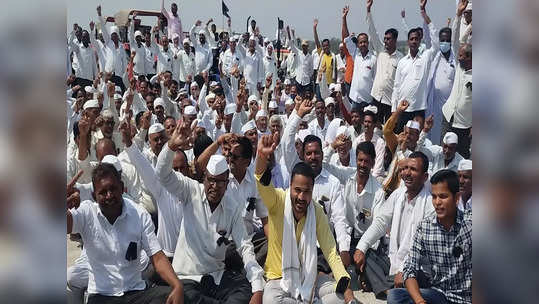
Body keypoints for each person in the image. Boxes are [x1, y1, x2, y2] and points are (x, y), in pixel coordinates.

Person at [155, 122, 265, 303]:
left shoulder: (232, 207)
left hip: (216, 276)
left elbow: (244, 246)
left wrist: (258, 288)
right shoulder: (190, 191)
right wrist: (172, 146)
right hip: (188, 276)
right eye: (210, 181)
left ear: (227, 183)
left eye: (220, 182)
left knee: (245, 289)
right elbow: (162, 175)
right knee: (189, 297)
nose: (214, 187)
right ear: (204, 178)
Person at [255, 134, 357, 303]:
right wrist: (261, 157)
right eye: (297, 190)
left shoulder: (316, 210)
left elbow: (331, 251)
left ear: (312, 190)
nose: (301, 197)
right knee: (271, 301)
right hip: (278, 278)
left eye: (307, 191)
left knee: (337, 299)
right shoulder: (278, 201)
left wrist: (344, 283)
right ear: (290, 187)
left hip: (309, 276)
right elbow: (262, 183)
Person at [67, 163, 184, 304]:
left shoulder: (139, 214)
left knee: (178, 295)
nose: (109, 196)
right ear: (94, 196)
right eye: (103, 192)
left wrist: (177, 285)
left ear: (122, 188)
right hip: (101, 296)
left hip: (136, 293)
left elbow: (157, 257)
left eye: (113, 189)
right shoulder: (86, 212)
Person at [354, 152, 435, 294]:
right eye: (405, 168)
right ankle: (390, 287)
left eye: (413, 169)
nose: (407, 173)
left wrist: (404, 269)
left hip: (416, 266)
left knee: (416, 276)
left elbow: (422, 249)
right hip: (392, 260)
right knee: (366, 254)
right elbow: (381, 222)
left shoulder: (430, 205)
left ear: (425, 177)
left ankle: (382, 285)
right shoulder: (398, 194)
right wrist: (361, 248)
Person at [387, 169, 472, 304]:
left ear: (456, 198)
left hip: (466, 299)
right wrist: (420, 301)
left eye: (443, 196)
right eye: (434, 196)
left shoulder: (471, 225)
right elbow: (410, 268)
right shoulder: (425, 227)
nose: (437, 202)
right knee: (395, 296)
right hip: (439, 295)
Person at [391, 0, 440, 134]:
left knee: (416, 142)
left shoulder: (425, 58)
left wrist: (424, 14)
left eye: (416, 39)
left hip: (418, 109)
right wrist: (394, 109)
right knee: (400, 140)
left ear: (419, 41)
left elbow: (436, 43)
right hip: (402, 109)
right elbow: (396, 86)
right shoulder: (402, 62)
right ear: (408, 41)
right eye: (411, 39)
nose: (414, 41)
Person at [441, 0, 472, 159]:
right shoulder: (460, 68)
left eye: (462, 56)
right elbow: (456, 41)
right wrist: (458, 15)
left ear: (470, 58)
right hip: (448, 117)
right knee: (444, 155)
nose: (458, 58)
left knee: (462, 159)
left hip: (465, 125)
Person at [366, 0, 403, 123]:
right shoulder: (380, 51)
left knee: (387, 130)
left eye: (388, 39)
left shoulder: (401, 58)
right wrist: (368, 11)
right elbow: (372, 31)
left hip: (389, 102)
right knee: (373, 126)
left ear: (395, 40)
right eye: (385, 39)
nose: (386, 41)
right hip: (376, 97)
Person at [342, 6, 377, 106]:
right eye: (360, 42)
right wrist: (344, 18)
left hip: (368, 101)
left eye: (365, 42)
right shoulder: (355, 55)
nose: (363, 44)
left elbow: (375, 81)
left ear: (368, 43)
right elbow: (346, 38)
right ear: (357, 44)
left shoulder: (374, 59)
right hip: (355, 100)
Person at [96, 5, 127, 92]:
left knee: (119, 94)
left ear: (117, 35)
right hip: (109, 74)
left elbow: (124, 61)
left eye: (115, 35)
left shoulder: (121, 47)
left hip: (119, 76)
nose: (113, 37)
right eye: (112, 35)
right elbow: (103, 28)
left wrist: (123, 73)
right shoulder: (109, 43)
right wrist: (99, 15)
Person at [287, 26, 314, 96]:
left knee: (306, 99)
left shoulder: (310, 57)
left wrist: (307, 76)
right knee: (298, 98)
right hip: (298, 80)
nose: (303, 47)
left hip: (306, 82)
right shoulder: (298, 53)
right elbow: (291, 44)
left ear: (307, 47)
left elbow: (311, 71)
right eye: (303, 46)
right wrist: (288, 33)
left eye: (305, 46)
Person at [190, 20, 213, 86]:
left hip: (205, 74)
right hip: (196, 73)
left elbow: (210, 62)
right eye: (200, 35)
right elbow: (191, 34)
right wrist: (195, 25)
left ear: (205, 37)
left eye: (202, 35)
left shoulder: (209, 48)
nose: (201, 37)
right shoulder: (197, 45)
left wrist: (205, 70)